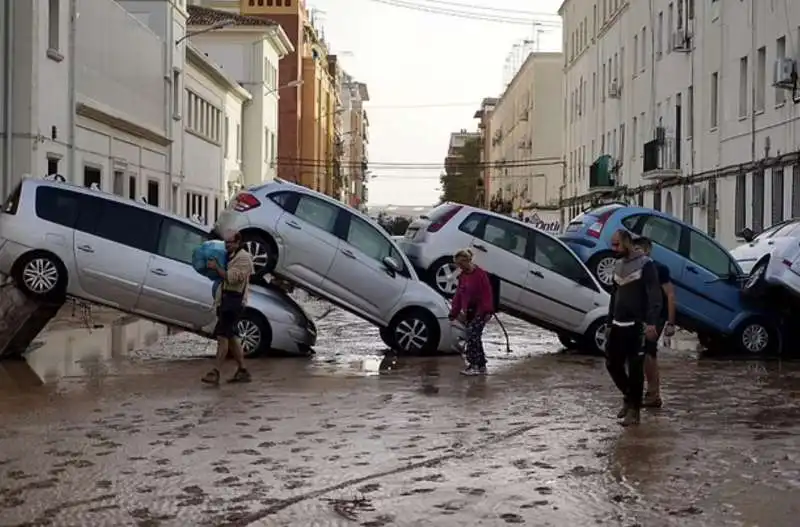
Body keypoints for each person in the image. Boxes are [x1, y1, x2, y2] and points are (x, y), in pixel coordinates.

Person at [605, 229, 663, 426]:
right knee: (612, 364)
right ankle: (630, 397)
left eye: (617, 245)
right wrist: (608, 322)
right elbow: (614, 296)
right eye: (612, 245)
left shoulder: (646, 265)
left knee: (636, 368)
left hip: (637, 325)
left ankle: (634, 411)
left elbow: (655, 296)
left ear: (627, 243)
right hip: (617, 324)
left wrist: (652, 323)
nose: (613, 249)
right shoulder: (618, 265)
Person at [202, 230, 255, 385]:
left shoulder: (244, 258)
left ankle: (215, 372)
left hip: (234, 302)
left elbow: (232, 278)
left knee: (222, 336)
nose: (227, 245)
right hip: (226, 300)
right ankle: (243, 370)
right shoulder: (230, 256)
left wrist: (216, 267)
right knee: (231, 337)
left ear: (238, 242)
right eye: (226, 243)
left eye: (230, 242)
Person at [633, 236, 676, 408]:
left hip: (656, 316)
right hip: (639, 316)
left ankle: (653, 394)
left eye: (640, 250)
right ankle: (646, 393)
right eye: (634, 249)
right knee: (639, 354)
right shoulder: (633, 268)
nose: (637, 253)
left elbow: (670, 295)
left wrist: (671, 323)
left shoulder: (660, 269)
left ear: (648, 250)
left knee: (648, 352)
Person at [448, 248, 494, 376]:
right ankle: (481, 365)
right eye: (458, 265)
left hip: (481, 311)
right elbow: (458, 295)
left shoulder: (480, 274)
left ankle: (474, 364)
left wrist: (487, 311)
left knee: (473, 336)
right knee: (474, 337)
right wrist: (454, 312)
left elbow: (487, 293)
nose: (460, 267)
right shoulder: (463, 276)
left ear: (467, 261)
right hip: (469, 312)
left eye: (461, 264)